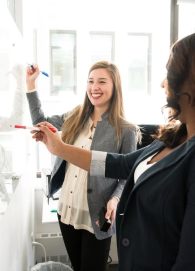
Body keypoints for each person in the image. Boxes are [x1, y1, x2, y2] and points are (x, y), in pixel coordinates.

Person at [31, 32, 195, 270]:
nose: (163, 83)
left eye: (169, 73)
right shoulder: (176, 136)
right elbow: (120, 164)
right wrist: (61, 149)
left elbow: (194, 265)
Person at [26, 61, 139, 271]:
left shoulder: (126, 130)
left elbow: (128, 174)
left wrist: (115, 199)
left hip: (98, 214)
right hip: (67, 209)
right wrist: (31, 85)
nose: (94, 87)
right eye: (90, 81)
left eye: (102, 82)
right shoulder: (75, 116)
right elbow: (40, 121)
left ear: (115, 87)